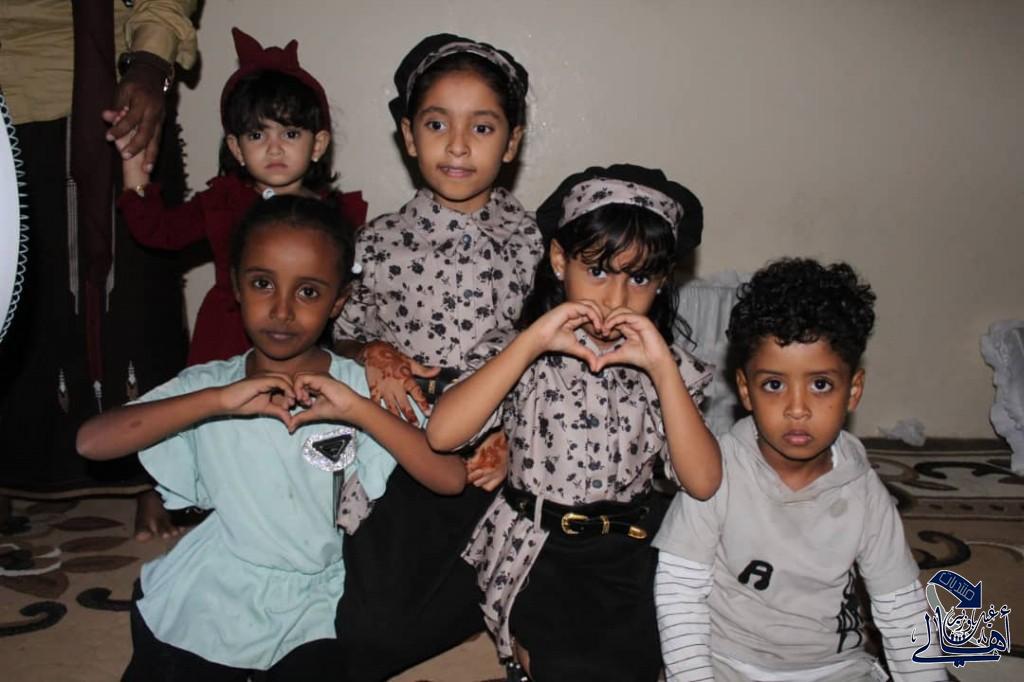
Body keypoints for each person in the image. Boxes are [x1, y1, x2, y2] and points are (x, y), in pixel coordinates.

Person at [77, 195, 466, 680]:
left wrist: (359, 411)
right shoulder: (211, 385)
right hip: (220, 579)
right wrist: (217, 401)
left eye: (308, 292)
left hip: (322, 595)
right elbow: (92, 442)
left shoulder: (360, 387)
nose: (282, 310)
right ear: (236, 285)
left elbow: (450, 478)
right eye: (263, 284)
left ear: (338, 302)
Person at [426, 164, 723, 682]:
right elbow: (442, 434)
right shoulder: (520, 349)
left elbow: (703, 482)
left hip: (630, 550)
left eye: (639, 278)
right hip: (540, 549)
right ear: (560, 260)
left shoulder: (666, 366)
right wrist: (531, 343)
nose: (615, 299)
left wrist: (662, 369)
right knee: (570, 665)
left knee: (650, 661)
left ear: (662, 281)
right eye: (598, 271)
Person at [331, 34, 543, 679]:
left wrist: (513, 438)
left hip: (498, 458)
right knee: (363, 633)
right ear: (408, 135)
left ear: (511, 142)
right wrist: (372, 349)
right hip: (406, 449)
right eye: (436, 124)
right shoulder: (378, 243)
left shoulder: (535, 244)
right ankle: (481, 593)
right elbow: (334, 335)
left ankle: (509, 584)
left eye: (481, 127)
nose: (457, 145)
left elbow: (549, 362)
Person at [653, 258, 948, 681]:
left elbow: (902, 612)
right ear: (745, 390)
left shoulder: (864, 493)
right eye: (774, 384)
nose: (797, 409)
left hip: (833, 667)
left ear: (853, 390)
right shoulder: (713, 473)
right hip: (726, 662)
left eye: (820, 385)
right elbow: (679, 594)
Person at [0, 1, 196, 539]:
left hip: (107, 74)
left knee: (135, 293)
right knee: (14, 291)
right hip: (10, 83)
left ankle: (153, 477)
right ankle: (11, 467)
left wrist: (149, 63)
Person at [119, 27, 367, 368]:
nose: (274, 148)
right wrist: (135, 172)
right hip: (227, 341)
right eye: (257, 135)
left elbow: (351, 294)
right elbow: (159, 232)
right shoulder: (223, 203)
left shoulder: (332, 213)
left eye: (290, 133)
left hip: (304, 340)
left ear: (318, 145)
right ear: (236, 148)